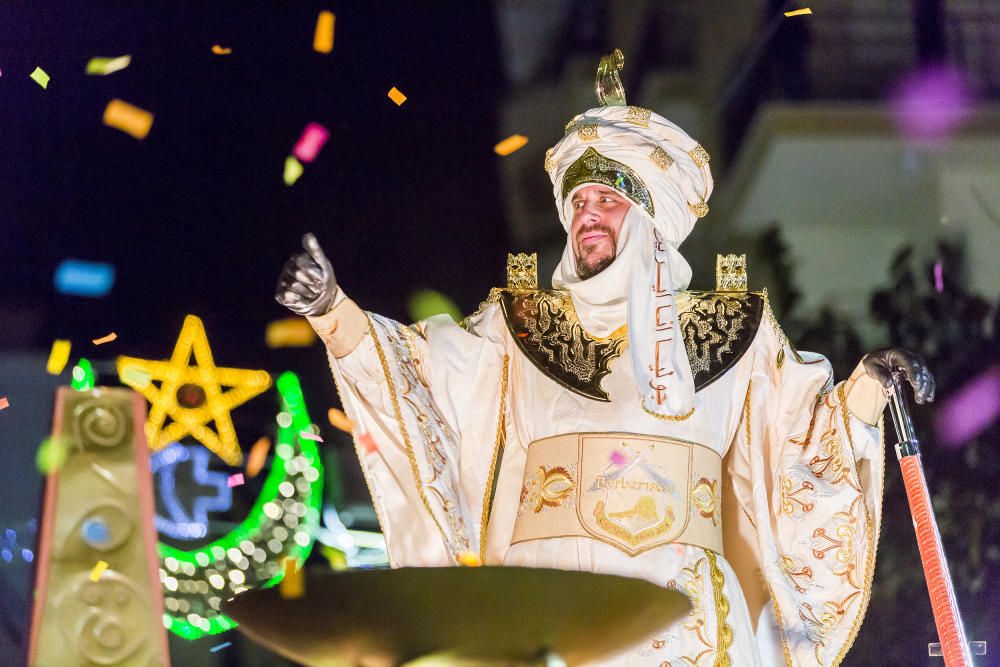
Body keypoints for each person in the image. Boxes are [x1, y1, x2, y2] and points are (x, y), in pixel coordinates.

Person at [275, 53, 933, 666]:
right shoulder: (518, 327)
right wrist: (334, 310)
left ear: (650, 216)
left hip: (686, 624)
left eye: (608, 199)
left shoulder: (734, 332)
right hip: (546, 605)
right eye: (579, 202)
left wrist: (870, 389)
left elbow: (806, 439)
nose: (587, 214)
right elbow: (418, 379)